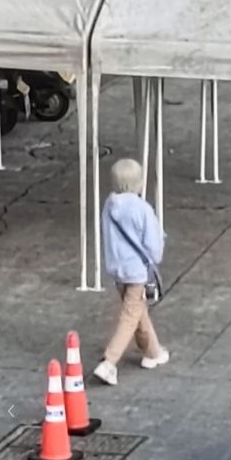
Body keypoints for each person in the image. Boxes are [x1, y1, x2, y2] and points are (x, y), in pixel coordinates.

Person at [93, 158, 169, 386]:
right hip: (137, 270)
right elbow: (153, 247)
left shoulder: (109, 206)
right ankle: (109, 362)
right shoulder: (142, 209)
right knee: (130, 316)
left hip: (117, 268)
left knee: (137, 311)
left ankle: (152, 352)